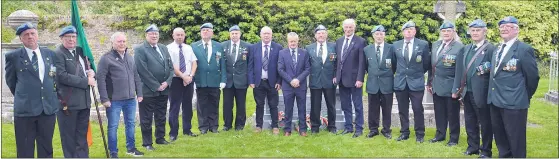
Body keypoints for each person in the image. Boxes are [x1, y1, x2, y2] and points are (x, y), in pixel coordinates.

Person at [5, 22, 60, 158]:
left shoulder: (50, 54)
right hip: (25, 111)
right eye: (26, 35)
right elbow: (11, 82)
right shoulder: (13, 56)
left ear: (37, 35)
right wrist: (24, 96)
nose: (30, 37)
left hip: (47, 109)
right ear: (21, 38)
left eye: (32, 33)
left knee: (46, 147)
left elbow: (53, 76)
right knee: (25, 149)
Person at [487, 16, 539, 158]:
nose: (504, 29)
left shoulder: (524, 49)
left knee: (516, 138)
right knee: (500, 135)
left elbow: (533, 78)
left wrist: (523, 94)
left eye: (508, 27)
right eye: (502, 27)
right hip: (495, 100)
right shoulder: (498, 48)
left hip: (515, 102)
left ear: (516, 30)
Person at [452, 19, 496, 158]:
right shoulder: (465, 49)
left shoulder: (491, 49)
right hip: (467, 92)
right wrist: (456, 89)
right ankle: (473, 147)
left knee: (485, 123)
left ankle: (486, 151)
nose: (475, 33)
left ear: (485, 31)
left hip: (481, 92)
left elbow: (493, 71)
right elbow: (459, 71)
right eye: (473, 30)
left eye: (478, 30)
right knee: (470, 122)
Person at [97, 32, 144, 158]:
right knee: (113, 126)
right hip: (114, 100)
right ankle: (113, 153)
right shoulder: (106, 58)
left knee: (131, 124)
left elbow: (136, 76)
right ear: (113, 43)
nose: (122, 43)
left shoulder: (130, 57)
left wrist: (139, 93)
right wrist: (104, 99)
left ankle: (131, 148)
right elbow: (100, 79)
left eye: (124, 41)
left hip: (130, 99)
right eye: (119, 41)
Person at [54, 25, 94, 158]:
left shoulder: (80, 52)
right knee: (69, 138)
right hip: (68, 104)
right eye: (68, 37)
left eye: (73, 37)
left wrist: (91, 72)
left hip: (84, 102)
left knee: (82, 136)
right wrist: (85, 82)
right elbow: (61, 76)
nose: (71, 39)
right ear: (61, 38)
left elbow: (85, 70)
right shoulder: (58, 54)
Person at [134, 24, 174, 151]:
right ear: (146, 35)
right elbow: (142, 71)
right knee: (146, 118)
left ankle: (160, 138)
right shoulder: (140, 49)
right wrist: (156, 86)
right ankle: (147, 143)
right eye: (151, 33)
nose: (154, 35)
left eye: (156, 33)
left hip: (164, 89)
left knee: (161, 115)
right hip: (148, 90)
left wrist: (167, 83)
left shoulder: (163, 48)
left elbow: (170, 67)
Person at [426, 21, 464, 146]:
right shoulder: (436, 44)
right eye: (443, 31)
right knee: (439, 112)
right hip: (436, 85)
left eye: (449, 31)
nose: (446, 33)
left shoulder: (459, 47)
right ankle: (440, 135)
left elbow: (460, 71)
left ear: (453, 32)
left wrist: (457, 89)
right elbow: (432, 67)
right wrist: (429, 82)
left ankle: (453, 138)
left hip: (450, 86)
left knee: (452, 115)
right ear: (441, 32)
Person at [392, 20, 431, 143]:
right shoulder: (396, 45)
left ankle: (420, 133)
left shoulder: (423, 44)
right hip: (401, 82)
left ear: (415, 31)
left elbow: (426, 64)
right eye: (406, 30)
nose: (408, 32)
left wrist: (417, 74)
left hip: (416, 82)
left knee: (417, 109)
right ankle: (404, 132)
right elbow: (394, 64)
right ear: (403, 32)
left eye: (411, 30)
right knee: (402, 109)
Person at [191, 23, 227, 134]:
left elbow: (222, 64)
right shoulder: (194, 46)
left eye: (208, 30)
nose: (205, 32)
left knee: (214, 104)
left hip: (215, 80)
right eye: (203, 30)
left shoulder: (218, 46)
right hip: (200, 80)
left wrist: (223, 80)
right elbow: (192, 64)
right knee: (201, 105)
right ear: (201, 33)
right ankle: (203, 127)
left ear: (212, 32)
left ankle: (214, 126)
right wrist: (193, 80)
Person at [248, 26, 283, 135]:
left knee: (273, 105)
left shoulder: (278, 47)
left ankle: (275, 126)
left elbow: (281, 66)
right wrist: (251, 81)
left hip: (272, 82)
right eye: (264, 33)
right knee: (259, 105)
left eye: (268, 33)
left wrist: (279, 81)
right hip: (258, 82)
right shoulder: (254, 47)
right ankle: (259, 126)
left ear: (271, 35)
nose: (266, 35)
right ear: (260, 35)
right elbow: (250, 66)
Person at [334, 18, 366, 138]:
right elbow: (337, 61)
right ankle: (348, 127)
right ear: (343, 28)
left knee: (357, 105)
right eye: (346, 27)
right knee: (345, 105)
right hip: (341, 79)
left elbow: (362, 62)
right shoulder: (339, 41)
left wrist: (360, 79)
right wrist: (335, 76)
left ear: (354, 28)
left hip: (355, 80)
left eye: (350, 27)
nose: (348, 29)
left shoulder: (360, 41)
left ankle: (359, 128)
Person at [363, 25, 395, 139]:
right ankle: (373, 129)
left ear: (384, 35)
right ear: (373, 36)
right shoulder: (367, 49)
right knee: (372, 108)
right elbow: (366, 66)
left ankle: (386, 130)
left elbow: (394, 65)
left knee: (387, 108)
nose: (379, 36)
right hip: (372, 84)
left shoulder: (391, 48)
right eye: (377, 34)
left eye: (381, 34)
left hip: (387, 84)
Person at [167, 28, 199, 141]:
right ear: (173, 36)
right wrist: (183, 76)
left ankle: (187, 130)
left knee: (188, 106)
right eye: (177, 35)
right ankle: (173, 133)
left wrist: (190, 76)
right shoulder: (169, 48)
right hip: (175, 80)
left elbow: (194, 62)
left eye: (181, 35)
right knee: (175, 107)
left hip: (189, 80)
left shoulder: (188, 47)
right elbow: (171, 66)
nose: (180, 37)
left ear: (184, 35)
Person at [305, 25, 337, 134]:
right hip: (315, 80)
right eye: (319, 33)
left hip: (329, 80)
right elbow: (306, 65)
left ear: (326, 34)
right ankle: (315, 127)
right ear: (315, 35)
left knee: (331, 105)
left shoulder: (334, 46)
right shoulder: (309, 48)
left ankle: (332, 126)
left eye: (323, 33)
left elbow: (338, 63)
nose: (321, 35)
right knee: (315, 106)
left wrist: (336, 76)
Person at [278, 32, 311, 136]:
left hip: (301, 86)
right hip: (288, 86)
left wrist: (298, 80)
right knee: (288, 108)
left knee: (302, 108)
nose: (293, 43)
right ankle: (287, 129)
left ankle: (303, 130)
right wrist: (291, 80)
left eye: (294, 41)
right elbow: (280, 69)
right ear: (288, 42)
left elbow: (307, 69)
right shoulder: (282, 53)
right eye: (291, 41)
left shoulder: (304, 52)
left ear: (298, 41)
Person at [221, 25, 251, 131]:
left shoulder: (247, 46)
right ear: (229, 34)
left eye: (236, 33)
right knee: (227, 104)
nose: (234, 35)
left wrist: (249, 79)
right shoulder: (223, 46)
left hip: (241, 80)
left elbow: (249, 64)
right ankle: (227, 124)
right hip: (227, 81)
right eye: (232, 33)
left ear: (240, 34)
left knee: (241, 104)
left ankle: (239, 125)